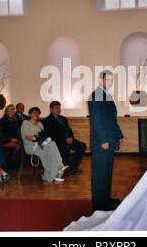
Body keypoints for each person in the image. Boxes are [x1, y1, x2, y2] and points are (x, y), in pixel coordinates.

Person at [88, 70, 124, 211]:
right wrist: (103, 140)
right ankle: (99, 204)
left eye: (111, 80)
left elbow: (111, 119)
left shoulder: (105, 95)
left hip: (109, 140)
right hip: (101, 142)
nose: (110, 82)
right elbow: (96, 120)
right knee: (100, 173)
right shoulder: (97, 95)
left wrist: (119, 134)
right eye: (108, 79)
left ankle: (106, 199)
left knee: (107, 172)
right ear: (101, 80)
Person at [20, 107, 68, 183]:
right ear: (29, 114)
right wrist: (38, 139)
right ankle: (57, 169)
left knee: (52, 144)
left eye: (38, 113)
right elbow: (28, 137)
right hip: (31, 146)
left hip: (41, 145)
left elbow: (43, 135)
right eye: (34, 113)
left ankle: (53, 174)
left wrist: (45, 139)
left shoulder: (40, 124)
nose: (36, 114)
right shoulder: (25, 123)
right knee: (49, 150)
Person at [43, 101, 86, 174]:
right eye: (56, 108)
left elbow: (69, 130)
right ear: (51, 109)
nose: (58, 110)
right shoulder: (47, 121)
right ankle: (64, 167)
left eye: (59, 108)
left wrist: (71, 138)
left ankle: (73, 166)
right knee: (64, 147)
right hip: (58, 142)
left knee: (82, 146)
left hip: (69, 140)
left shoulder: (63, 119)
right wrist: (64, 139)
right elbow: (50, 134)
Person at [0, 104, 22, 169]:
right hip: (5, 140)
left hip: (15, 139)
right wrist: (10, 139)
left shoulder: (16, 120)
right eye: (11, 109)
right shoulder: (3, 121)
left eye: (13, 109)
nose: (13, 111)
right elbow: (2, 133)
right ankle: (11, 165)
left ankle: (17, 165)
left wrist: (18, 138)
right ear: (7, 111)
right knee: (17, 146)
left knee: (21, 144)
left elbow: (18, 132)